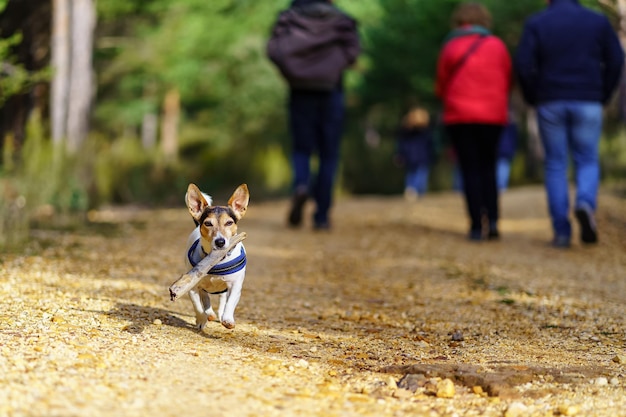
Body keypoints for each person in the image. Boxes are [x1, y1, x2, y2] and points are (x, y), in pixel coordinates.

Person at [515, 0, 624, 248]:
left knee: (555, 163)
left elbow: (522, 64)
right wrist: (603, 94)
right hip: (589, 99)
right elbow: (616, 60)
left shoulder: (537, 22)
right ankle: (585, 203)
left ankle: (561, 232)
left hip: (550, 100)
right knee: (587, 159)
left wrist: (534, 96)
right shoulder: (597, 20)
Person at [266, 0, 361, 230]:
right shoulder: (341, 19)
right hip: (331, 90)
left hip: (300, 91)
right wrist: (334, 66)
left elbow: (273, 50)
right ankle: (322, 215)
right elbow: (353, 52)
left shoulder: (289, 17)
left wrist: (293, 71)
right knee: (329, 154)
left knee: (301, 148)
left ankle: (301, 185)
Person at [435, 2, 512, 241]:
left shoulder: (451, 46)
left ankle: (476, 225)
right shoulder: (497, 45)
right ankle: (495, 221)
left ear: (458, 21)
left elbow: (441, 85)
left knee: (469, 169)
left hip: (460, 116)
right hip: (492, 116)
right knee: (489, 167)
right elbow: (508, 79)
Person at [394, 107, 434, 200]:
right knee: (420, 174)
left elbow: (401, 145)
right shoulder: (426, 132)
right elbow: (431, 145)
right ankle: (416, 190)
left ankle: (412, 189)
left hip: (412, 157)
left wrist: (400, 154)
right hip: (421, 157)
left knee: (413, 173)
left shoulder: (406, 132)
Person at [497, 120, 518, 192]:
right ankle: (501, 187)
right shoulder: (510, 121)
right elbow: (514, 136)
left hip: (500, 149)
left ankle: (500, 187)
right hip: (505, 149)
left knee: (502, 166)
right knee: (503, 166)